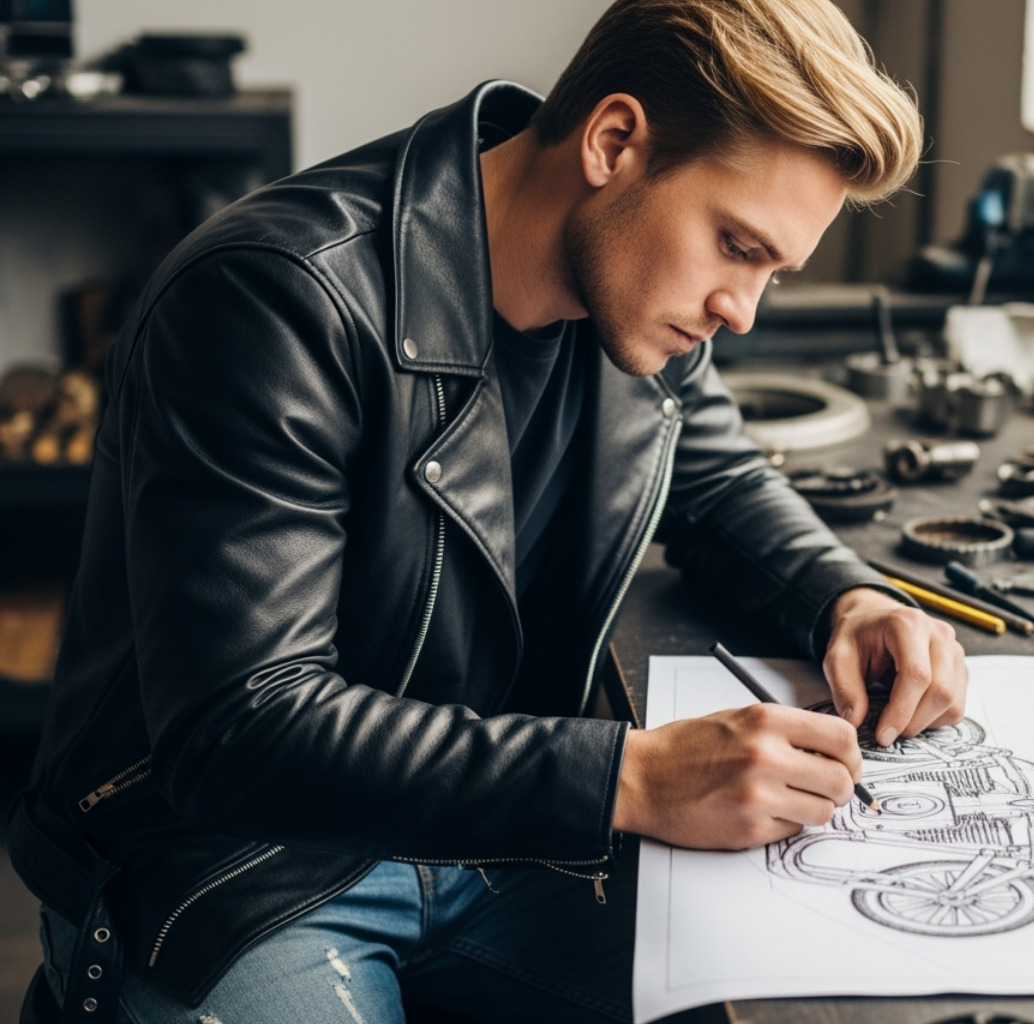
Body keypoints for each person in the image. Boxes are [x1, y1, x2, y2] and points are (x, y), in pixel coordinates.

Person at [11, 1, 968, 1020]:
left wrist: (848, 599)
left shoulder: (637, 295)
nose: (743, 309)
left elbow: (719, 479)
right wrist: (629, 777)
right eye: (736, 245)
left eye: (773, 269)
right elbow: (242, 729)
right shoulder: (273, 297)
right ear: (613, 142)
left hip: (495, 833)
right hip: (232, 871)